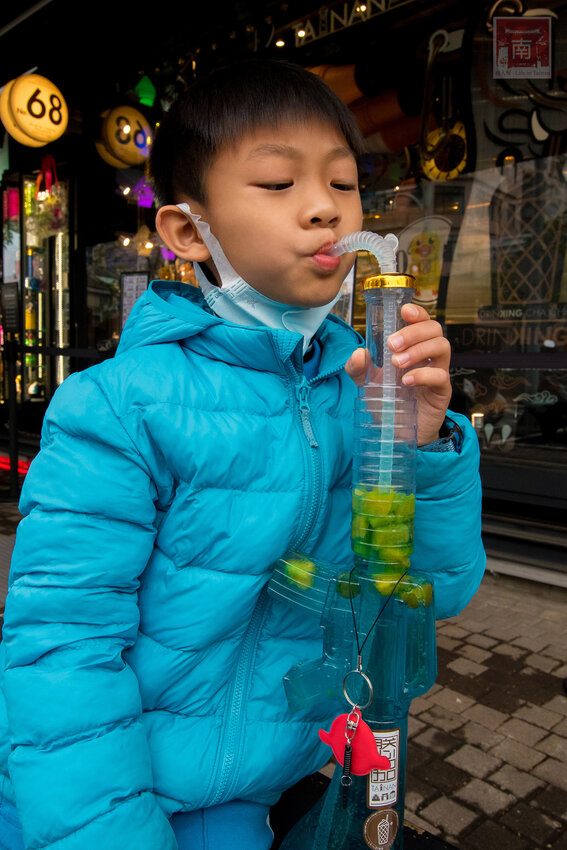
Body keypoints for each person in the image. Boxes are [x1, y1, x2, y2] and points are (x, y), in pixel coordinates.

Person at [0, 59, 485, 850]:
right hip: (94, 798)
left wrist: (419, 445)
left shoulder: (361, 393)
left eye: (342, 182)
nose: (325, 208)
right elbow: (62, 647)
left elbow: (428, 599)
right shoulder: (120, 406)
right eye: (277, 183)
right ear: (190, 232)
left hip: (248, 791)